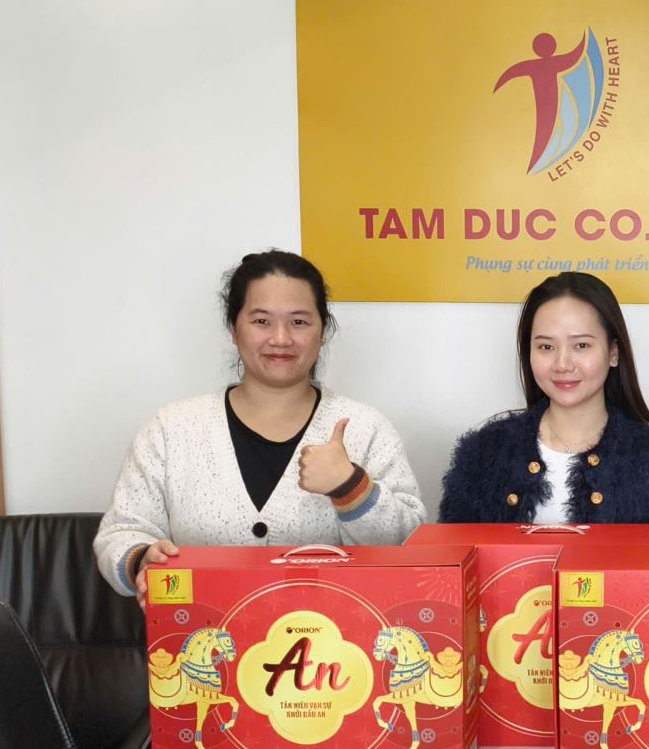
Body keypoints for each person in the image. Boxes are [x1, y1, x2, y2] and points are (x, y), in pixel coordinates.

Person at [93, 250, 427, 606]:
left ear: (322, 331)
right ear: (233, 329)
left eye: (299, 322)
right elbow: (121, 532)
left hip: (338, 640)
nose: (280, 338)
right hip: (201, 638)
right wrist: (141, 560)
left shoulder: (366, 428)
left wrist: (350, 487)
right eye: (262, 321)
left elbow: (410, 545)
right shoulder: (171, 429)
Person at [439, 271, 649, 524]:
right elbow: (452, 547)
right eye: (546, 347)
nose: (562, 364)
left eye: (581, 345)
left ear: (613, 353)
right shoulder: (483, 453)